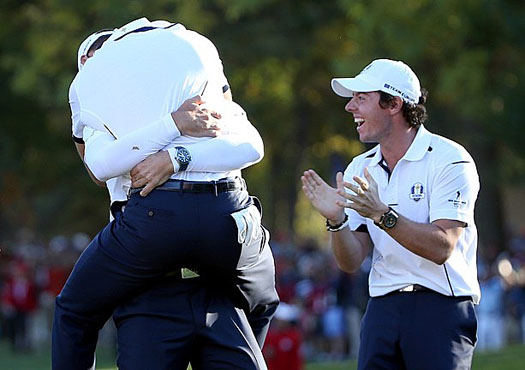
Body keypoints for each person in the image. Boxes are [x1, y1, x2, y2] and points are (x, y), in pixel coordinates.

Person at [54, 19, 277, 370]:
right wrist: (174, 125)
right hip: (160, 276)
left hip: (188, 248)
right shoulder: (116, 120)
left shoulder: (199, 100)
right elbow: (99, 167)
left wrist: (175, 157)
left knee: (264, 301)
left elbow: (251, 145)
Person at [301, 59, 480, 370]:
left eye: (361, 98)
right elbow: (350, 261)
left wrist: (382, 214)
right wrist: (337, 222)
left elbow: (442, 247)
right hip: (381, 308)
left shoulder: (451, 159)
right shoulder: (360, 167)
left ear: (394, 104)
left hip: (441, 306)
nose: (349, 107)